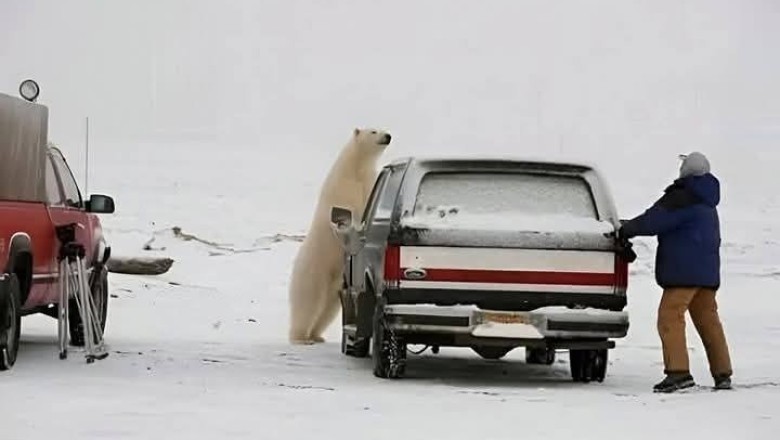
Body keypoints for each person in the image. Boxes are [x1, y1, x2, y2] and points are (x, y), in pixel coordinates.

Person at [619, 152, 733, 393]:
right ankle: (722, 373)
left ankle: (678, 373)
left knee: (669, 318)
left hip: (684, 273)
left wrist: (626, 229)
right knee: (708, 321)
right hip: (706, 273)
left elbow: (653, 221)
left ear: (686, 170)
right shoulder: (707, 200)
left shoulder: (682, 197)